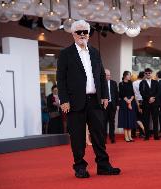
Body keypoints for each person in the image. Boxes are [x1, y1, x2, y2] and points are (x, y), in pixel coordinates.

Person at [56, 20, 121, 178]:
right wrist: (63, 100)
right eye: (79, 32)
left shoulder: (94, 52)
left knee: (99, 134)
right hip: (74, 102)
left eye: (85, 31)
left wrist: (105, 95)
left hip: (95, 101)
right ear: (73, 34)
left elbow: (100, 76)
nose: (83, 34)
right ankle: (80, 167)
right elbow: (61, 79)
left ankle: (103, 166)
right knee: (77, 137)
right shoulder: (66, 54)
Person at [139, 68, 160, 140]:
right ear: (144, 74)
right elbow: (142, 93)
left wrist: (153, 98)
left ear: (151, 74)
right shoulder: (142, 83)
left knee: (155, 120)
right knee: (146, 120)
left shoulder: (156, 82)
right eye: (146, 73)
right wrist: (149, 98)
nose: (148, 74)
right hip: (146, 103)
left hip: (155, 103)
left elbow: (158, 92)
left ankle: (156, 136)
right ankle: (147, 136)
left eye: (149, 73)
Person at [118, 71, 137, 142]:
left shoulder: (130, 83)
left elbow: (133, 93)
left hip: (131, 102)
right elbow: (121, 94)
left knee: (131, 119)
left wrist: (131, 100)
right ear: (125, 76)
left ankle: (130, 136)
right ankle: (126, 136)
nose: (130, 76)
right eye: (129, 75)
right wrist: (128, 102)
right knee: (125, 119)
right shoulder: (121, 84)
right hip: (124, 102)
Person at [104, 69, 119, 144]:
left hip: (112, 105)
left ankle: (112, 137)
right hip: (104, 105)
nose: (108, 76)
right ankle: (104, 138)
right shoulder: (101, 83)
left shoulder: (113, 83)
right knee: (104, 122)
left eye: (109, 75)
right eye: (107, 75)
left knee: (112, 122)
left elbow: (116, 94)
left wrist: (117, 105)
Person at [132, 71, 145, 138]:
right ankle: (142, 133)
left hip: (135, 100)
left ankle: (133, 133)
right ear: (143, 76)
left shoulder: (134, 83)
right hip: (142, 100)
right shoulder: (143, 82)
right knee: (142, 117)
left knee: (135, 117)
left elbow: (133, 92)